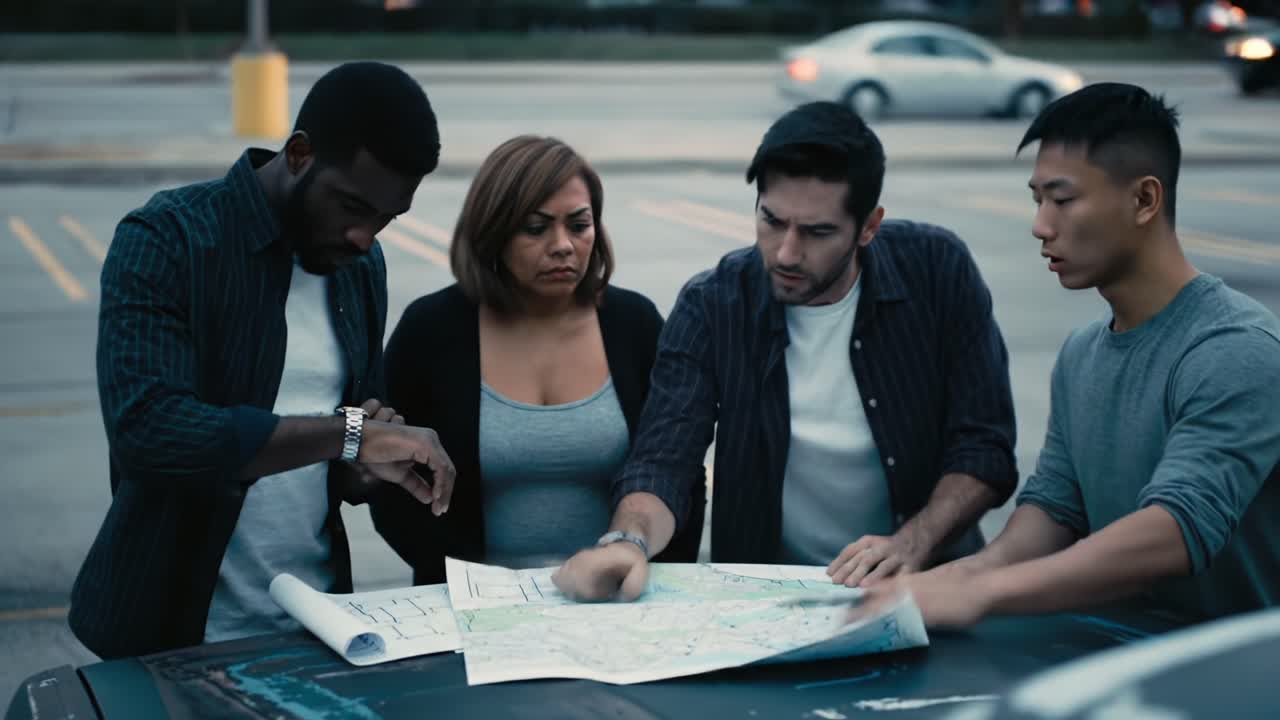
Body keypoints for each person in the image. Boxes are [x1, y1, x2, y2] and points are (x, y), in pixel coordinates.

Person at [552, 101, 1018, 602]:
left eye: (817, 232)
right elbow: (665, 459)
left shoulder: (935, 269)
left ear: (868, 226)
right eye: (772, 221)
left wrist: (914, 542)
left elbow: (984, 445)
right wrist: (629, 540)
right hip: (770, 601)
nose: (787, 252)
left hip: (927, 589)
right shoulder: (713, 303)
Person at [69, 62, 458, 660]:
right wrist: (349, 435)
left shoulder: (359, 270)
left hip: (316, 630)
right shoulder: (168, 238)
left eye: (386, 218)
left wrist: (367, 465)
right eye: (352, 205)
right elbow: (148, 432)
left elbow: (338, 456)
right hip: (170, 641)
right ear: (299, 154)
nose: (364, 235)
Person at [857, 83, 1280, 629]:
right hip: (1111, 658)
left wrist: (986, 592)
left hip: (1229, 682)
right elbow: (1055, 509)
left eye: (1063, 199)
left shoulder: (1234, 349)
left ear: (1145, 200)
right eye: (1038, 199)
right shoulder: (1081, 354)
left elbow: (1176, 528)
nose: (1041, 225)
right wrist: (954, 579)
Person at [370, 136, 704, 583]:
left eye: (579, 225)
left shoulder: (635, 324)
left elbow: (678, 470)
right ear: (493, 233)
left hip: (616, 604)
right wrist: (464, 581)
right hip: (472, 607)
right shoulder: (431, 329)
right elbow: (390, 482)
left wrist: (643, 570)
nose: (563, 245)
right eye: (536, 228)